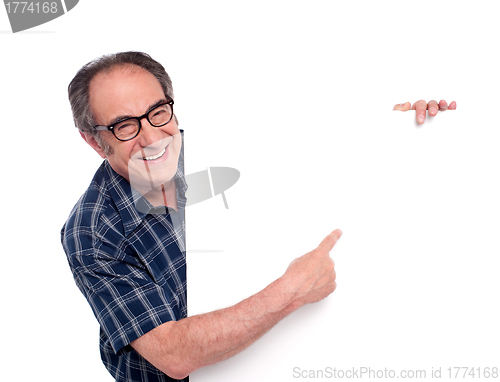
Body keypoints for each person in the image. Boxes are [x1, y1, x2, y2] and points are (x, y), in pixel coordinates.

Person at [61, 51, 453, 382]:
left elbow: (331, 157)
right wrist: (292, 290)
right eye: (125, 126)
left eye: (158, 113)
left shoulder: (232, 145)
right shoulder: (92, 231)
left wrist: (407, 129)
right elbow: (173, 354)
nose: (152, 138)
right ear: (95, 141)